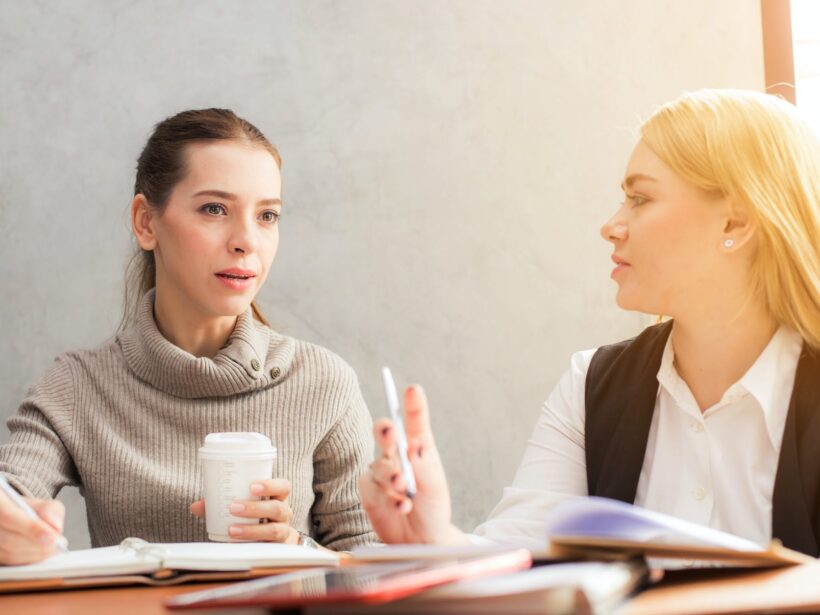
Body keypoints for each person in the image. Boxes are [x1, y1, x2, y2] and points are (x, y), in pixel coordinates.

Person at [360, 89, 820, 555]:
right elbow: (521, 557)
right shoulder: (591, 383)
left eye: (640, 198)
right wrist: (435, 540)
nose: (611, 225)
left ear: (735, 224)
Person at [0, 109, 376, 565]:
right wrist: (16, 530)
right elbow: (11, 494)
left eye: (267, 215)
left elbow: (376, 569)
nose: (246, 241)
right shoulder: (77, 386)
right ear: (146, 222)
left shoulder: (324, 382)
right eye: (214, 209)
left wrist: (297, 549)